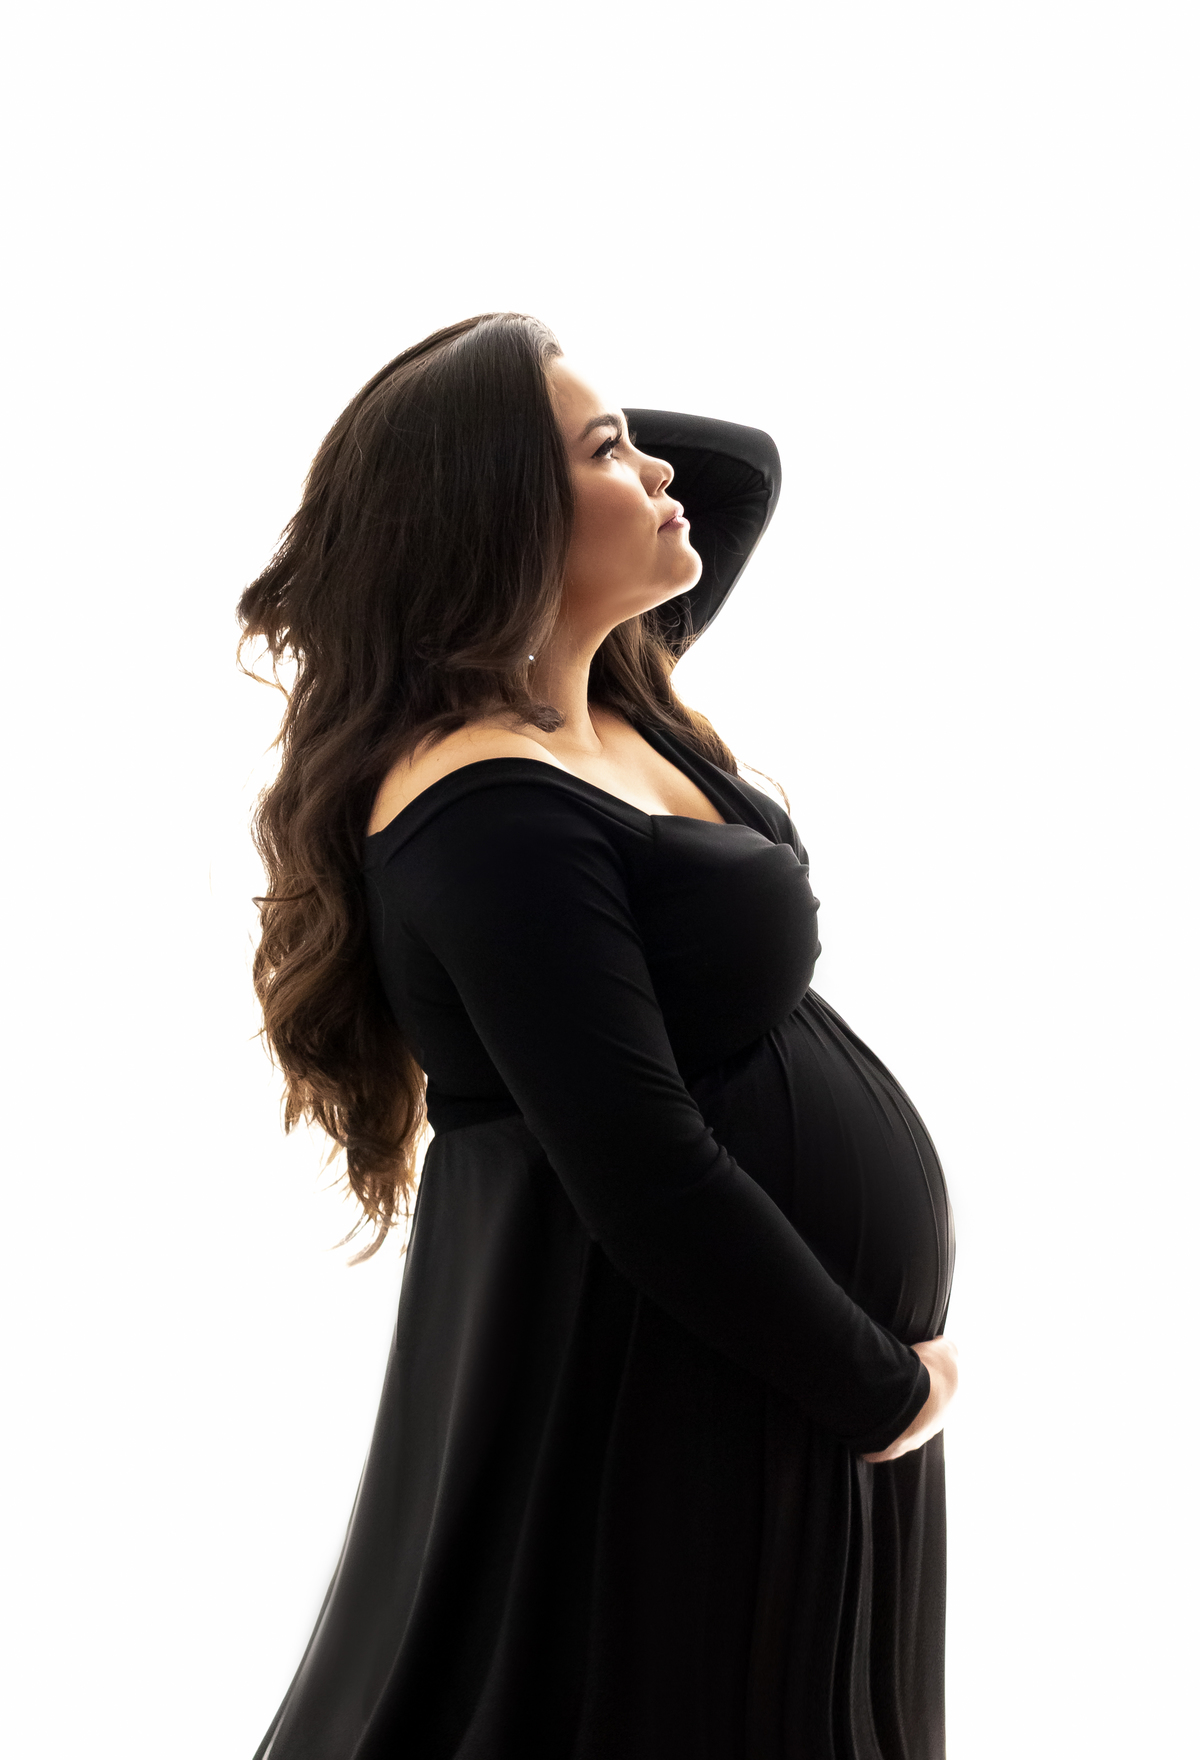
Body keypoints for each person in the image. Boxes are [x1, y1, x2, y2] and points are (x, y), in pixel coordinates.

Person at [238, 311, 959, 1760]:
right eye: (611, 451)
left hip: (750, 1357)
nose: (662, 476)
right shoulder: (485, 809)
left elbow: (738, 475)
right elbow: (640, 1164)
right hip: (665, 1366)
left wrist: (559, 416)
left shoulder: (607, 696)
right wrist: (874, 1389)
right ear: (505, 514)